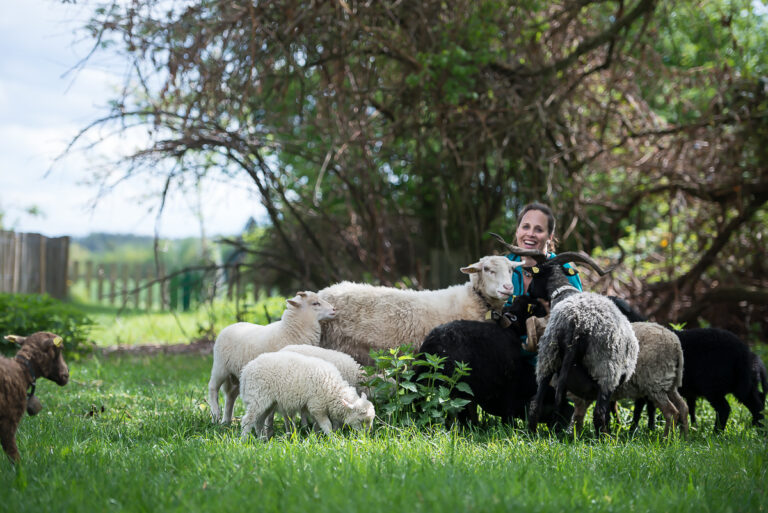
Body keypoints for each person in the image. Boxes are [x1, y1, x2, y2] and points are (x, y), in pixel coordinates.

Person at [504, 202, 583, 357]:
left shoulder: (565, 269)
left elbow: (578, 320)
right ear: (517, 231)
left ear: (550, 236)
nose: (530, 234)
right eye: (525, 227)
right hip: (506, 355)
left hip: (552, 359)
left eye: (539, 229)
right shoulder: (501, 267)